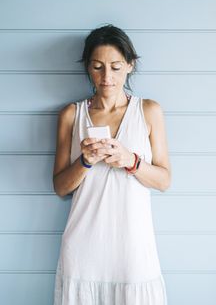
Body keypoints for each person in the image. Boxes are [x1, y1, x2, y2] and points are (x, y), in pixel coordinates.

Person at [53, 24, 171, 304]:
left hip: (133, 248)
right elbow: (60, 187)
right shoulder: (72, 114)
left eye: (116, 67)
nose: (106, 77)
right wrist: (85, 161)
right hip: (83, 249)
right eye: (97, 67)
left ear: (130, 65)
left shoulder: (149, 111)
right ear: (88, 68)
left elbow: (164, 180)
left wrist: (131, 161)